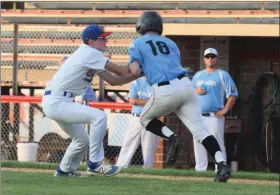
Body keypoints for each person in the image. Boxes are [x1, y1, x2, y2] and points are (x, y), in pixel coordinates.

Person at [127, 11, 231, 182]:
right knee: (201, 132)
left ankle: (173, 138)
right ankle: (222, 165)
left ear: (141, 26)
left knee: (145, 119)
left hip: (165, 89)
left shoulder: (137, 43)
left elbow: (135, 70)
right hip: (187, 85)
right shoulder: (170, 43)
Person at [42, 24, 137, 177]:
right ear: (91, 42)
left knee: (81, 139)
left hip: (58, 101)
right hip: (57, 101)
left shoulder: (90, 55)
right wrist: (139, 64)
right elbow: (121, 71)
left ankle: (64, 170)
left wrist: (137, 75)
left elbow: (113, 80)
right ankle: (94, 164)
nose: (106, 41)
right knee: (99, 116)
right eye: (102, 38)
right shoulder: (90, 53)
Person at [192, 48, 238, 172]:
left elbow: (233, 94)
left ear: (217, 58)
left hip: (215, 116)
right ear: (204, 59)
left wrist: (225, 109)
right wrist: (195, 91)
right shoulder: (198, 75)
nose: (210, 59)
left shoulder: (222, 74)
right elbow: (189, 93)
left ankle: (221, 169)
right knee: (198, 142)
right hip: (198, 115)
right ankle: (200, 170)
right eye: (208, 57)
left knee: (217, 143)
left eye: (213, 56)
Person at [116, 77, 159, 168]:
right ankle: (120, 167)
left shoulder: (159, 83)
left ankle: (148, 171)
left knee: (149, 149)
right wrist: (149, 102)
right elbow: (132, 100)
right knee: (127, 144)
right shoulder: (137, 81)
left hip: (151, 119)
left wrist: (139, 101)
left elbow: (158, 102)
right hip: (136, 117)